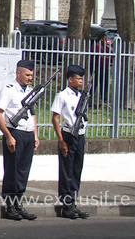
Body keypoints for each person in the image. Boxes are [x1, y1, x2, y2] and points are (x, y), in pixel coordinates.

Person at [0, 59, 39, 221]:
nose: (30, 78)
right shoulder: (9, 90)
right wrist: (8, 136)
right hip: (15, 133)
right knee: (12, 170)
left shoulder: (30, 91)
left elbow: (32, 114)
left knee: (23, 171)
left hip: (28, 134)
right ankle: (10, 206)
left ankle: (19, 203)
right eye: (27, 75)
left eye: (31, 75)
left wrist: (35, 135)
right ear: (18, 73)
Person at [50, 64, 90, 220]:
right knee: (67, 170)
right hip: (67, 135)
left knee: (76, 170)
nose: (81, 81)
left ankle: (73, 202)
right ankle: (66, 205)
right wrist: (61, 140)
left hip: (79, 136)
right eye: (78, 78)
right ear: (70, 79)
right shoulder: (62, 96)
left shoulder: (82, 96)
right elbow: (55, 118)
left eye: (82, 79)